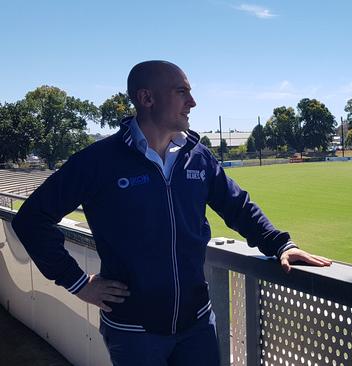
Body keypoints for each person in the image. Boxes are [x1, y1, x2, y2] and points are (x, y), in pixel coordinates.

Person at [11, 60, 332, 365]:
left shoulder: (198, 156)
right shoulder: (98, 160)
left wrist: (281, 245)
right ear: (147, 98)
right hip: (133, 330)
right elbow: (31, 219)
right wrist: (78, 282)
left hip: (198, 324)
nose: (192, 102)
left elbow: (238, 207)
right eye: (181, 91)